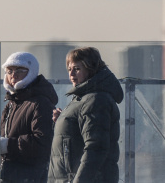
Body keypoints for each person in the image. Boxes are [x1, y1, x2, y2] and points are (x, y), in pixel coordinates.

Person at [0, 51, 58, 182]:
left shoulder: (40, 103)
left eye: (20, 70)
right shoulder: (12, 104)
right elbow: (9, 140)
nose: (13, 75)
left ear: (31, 72)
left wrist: (6, 145)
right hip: (8, 176)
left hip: (29, 178)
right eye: (9, 71)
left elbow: (43, 143)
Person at [48, 47, 124, 183]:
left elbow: (96, 147)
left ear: (90, 69)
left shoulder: (95, 100)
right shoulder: (82, 98)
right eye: (69, 69)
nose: (71, 74)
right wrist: (62, 121)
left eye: (77, 69)